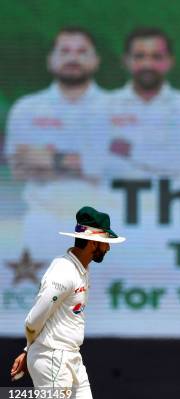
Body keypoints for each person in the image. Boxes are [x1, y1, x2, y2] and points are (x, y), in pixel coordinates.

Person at [4, 27, 109, 260]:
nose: (73, 58)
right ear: (51, 60)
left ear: (96, 60)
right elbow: (18, 169)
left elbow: (114, 167)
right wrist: (86, 163)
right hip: (42, 223)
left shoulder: (116, 109)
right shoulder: (26, 108)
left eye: (82, 51)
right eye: (65, 51)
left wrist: (49, 159)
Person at [9, 206, 126, 399]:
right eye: (105, 243)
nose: (108, 248)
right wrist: (33, 349)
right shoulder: (64, 272)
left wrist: (29, 349)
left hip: (70, 357)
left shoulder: (81, 268)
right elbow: (33, 319)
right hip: (53, 357)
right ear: (92, 242)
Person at [105, 27, 180, 177]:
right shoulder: (105, 106)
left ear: (170, 62)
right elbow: (96, 162)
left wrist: (128, 151)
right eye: (139, 56)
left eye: (156, 57)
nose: (147, 64)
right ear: (125, 61)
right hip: (116, 198)